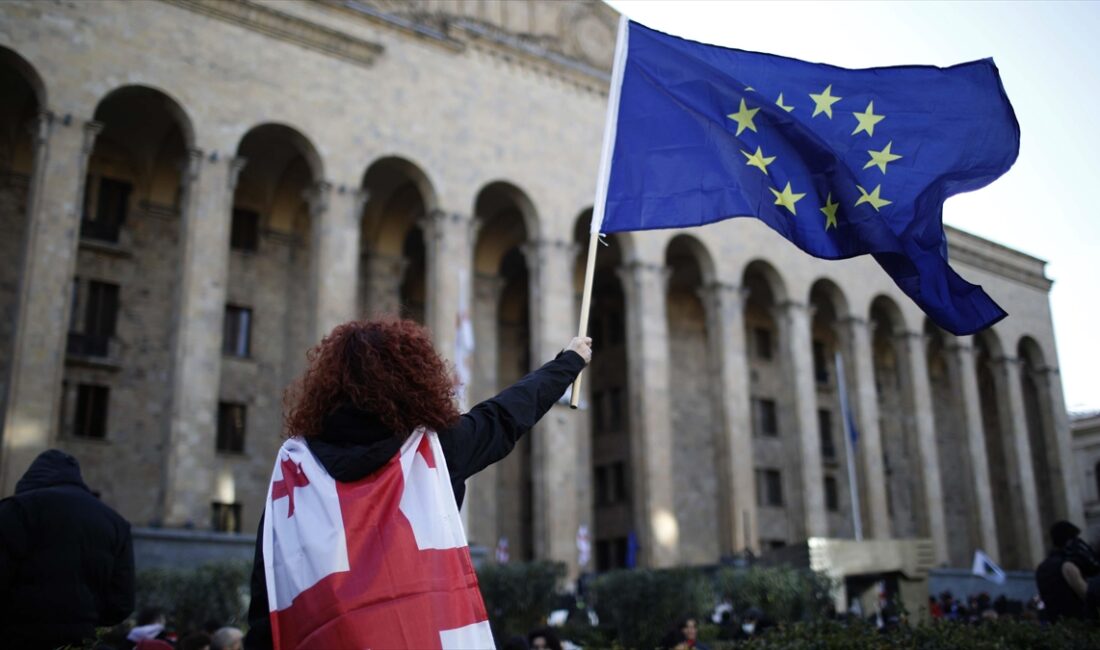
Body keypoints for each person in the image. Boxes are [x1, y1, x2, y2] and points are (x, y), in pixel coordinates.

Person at [244, 319, 591, 648]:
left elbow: (268, 596)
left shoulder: (295, 470)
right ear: (413, 382)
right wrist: (568, 362)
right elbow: (503, 416)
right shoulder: (435, 453)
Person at [0, 449, 135, 649]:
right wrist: (82, 619)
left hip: (17, 636)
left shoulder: (16, 510)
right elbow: (121, 602)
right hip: (79, 640)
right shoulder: (115, 522)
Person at [1036, 520, 1098, 622]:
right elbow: (1089, 597)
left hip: (1058, 626)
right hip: (1078, 625)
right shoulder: (1068, 565)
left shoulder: (1043, 567)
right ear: (1070, 541)